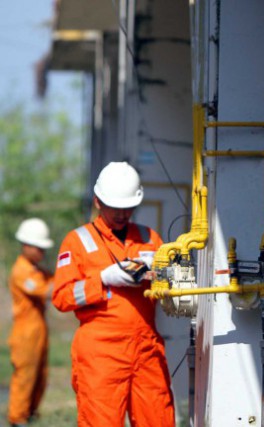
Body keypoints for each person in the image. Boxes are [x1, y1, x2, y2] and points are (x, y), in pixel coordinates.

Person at [52, 161, 175, 426]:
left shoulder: (149, 238)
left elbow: (170, 285)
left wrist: (164, 273)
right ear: (98, 202)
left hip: (147, 348)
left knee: (159, 419)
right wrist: (101, 279)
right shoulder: (78, 241)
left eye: (128, 207)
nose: (122, 214)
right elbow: (62, 297)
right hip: (101, 352)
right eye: (115, 207)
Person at [7, 218, 54, 427]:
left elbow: (54, 279)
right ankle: (17, 418)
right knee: (25, 375)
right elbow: (47, 290)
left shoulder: (37, 270)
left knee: (40, 375)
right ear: (26, 245)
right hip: (25, 332)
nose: (42, 252)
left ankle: (31, 412)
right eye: (39, 248)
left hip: (39, 329)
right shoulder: (21, 271)